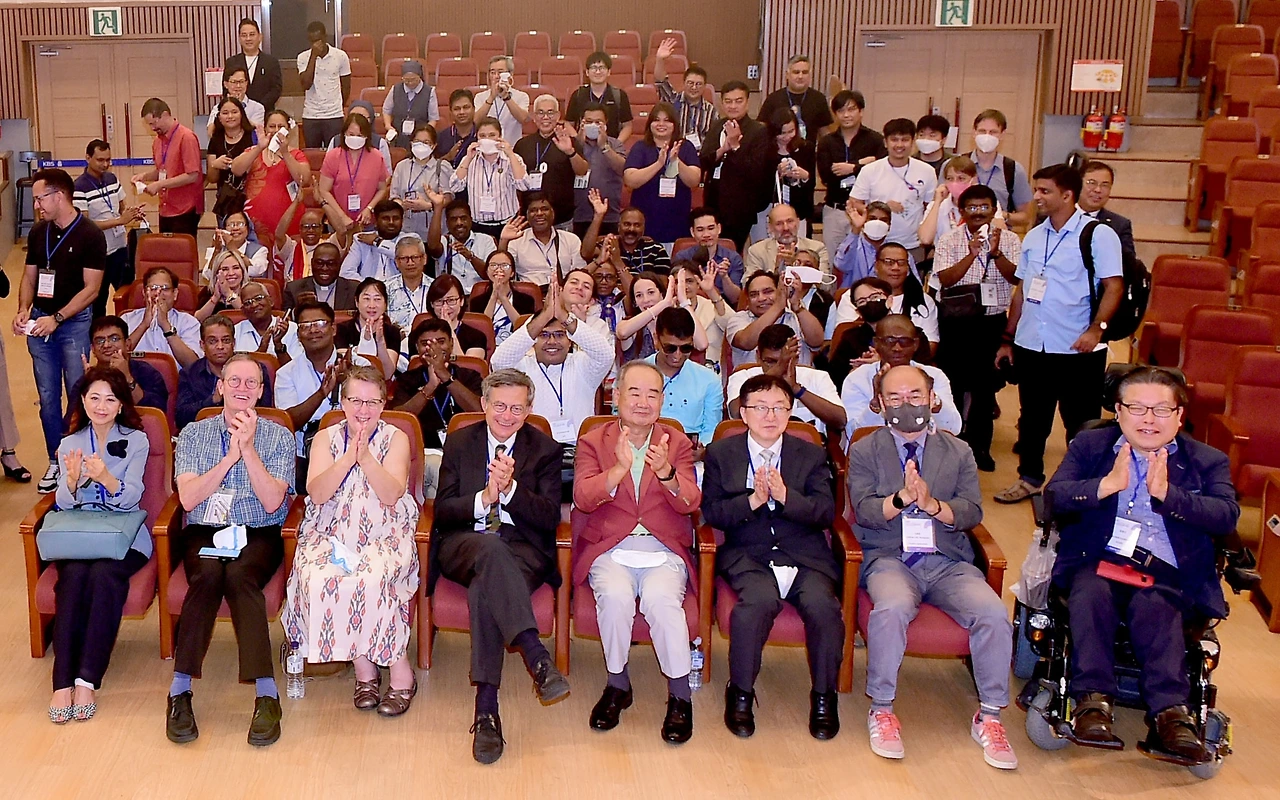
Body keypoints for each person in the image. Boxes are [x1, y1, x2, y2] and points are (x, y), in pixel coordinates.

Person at [1045, 367, 1240, 761]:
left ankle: (1171, 714)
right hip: (1099, 560)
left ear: (1179, 416)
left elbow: (1226, 516)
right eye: (1137, 408)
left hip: (1166, 569)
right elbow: (1055, 497)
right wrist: (1105, 486)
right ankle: (1093, 702)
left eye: (1161, 410)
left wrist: (1169, 495)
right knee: (1091, 594)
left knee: (1156, 605)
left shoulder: (1207, 461)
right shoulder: (1091, 447)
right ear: (1118, 411)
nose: (1149, 419)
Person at [846, 364, 1018, 769]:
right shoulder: (865, 449)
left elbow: (972, 511)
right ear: (880, 403)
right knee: (891, 608)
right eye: (894, 398)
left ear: (932, 399)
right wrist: (903, 499)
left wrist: (933, 505)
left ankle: (990, 715)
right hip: (890, 557)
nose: (906, 405)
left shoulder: (958, 451)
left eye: (915, 396)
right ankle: (882, 709)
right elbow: (865, 511)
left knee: (993, 613)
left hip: (946, 559)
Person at [431, 368, 571, 764]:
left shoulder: (545, 450)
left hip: (522, 547)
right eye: (499, 406)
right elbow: (443, 511)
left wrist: (509, 491)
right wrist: (485, 498)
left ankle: (486, 711)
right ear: (484, 404)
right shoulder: (460, 442)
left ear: (529, 409)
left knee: (485, 588)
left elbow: (549, 517)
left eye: (516, 408)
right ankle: (536, 656)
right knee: (489, 551)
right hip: (465, 544)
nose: (507, 416)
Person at [702, 373, 843, 740]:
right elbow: (713, 512)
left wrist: (785, 497)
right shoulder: (721, 454)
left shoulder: (811, 454)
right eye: (761, 407)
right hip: (749, 553)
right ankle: (741, 693)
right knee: (756, 603)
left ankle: (824, 697)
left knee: (823, 607)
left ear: (790, 412)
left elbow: (825, 513)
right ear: (743, 413)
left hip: (804, 553)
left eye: (780, 407)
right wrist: (752, 501)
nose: (770, 416)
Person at [165, 354, 295, 747]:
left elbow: (272, 502)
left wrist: (249, 450)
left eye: (251, 383)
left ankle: (267, 694)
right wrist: (229, 458)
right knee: (206, 577)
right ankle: (179, 690)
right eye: (233, 381)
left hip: (258, 531)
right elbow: (188, 499)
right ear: (220, 387)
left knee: (240, 577)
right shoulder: (193, 433)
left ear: (260, 391)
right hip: (205, 529)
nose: (242, 388)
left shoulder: (279, 436)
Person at [573, 361, 700, 742]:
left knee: (663, 602)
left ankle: (680, 697)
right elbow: (582, 498)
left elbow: (691, 502)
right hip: (611, 545)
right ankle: (618, 684)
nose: (643, 402)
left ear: (662, 400)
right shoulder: (593, 441)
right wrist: (617, 470)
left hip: (663, 546)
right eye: (635, 392)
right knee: (615, 598)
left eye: (653, 394)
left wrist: (667, 475)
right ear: (616, 396)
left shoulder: (676, 442)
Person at [282, 366, 421, 716]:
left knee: (372, 578)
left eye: (372, 402)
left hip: (385, 530)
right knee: (319, 577)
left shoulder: (397, 437)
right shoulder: (325, 438)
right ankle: (364, 670)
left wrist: (367, 458)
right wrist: (348, 457)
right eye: (356, 401)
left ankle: (401, 672)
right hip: (330, 531)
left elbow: (391, 494)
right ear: (342, 402)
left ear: (383, 403)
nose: (363, 410)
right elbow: (317, 493)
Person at [995, 164, 1124, 504]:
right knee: (1032, 419)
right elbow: (1023, 289)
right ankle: (1029, 478)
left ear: (1067, 195)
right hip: (1032, 343)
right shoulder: (1035, 236)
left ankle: (1082, 487)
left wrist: (1096, 329)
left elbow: (1114, 287)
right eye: (1036, 190)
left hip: (1077, 348)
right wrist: (1008, 339)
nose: (1036, 197)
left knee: (1080, 424)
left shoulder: (1098, 234)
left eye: (1044, 191)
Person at [48, 367, 151, 723]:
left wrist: (106, 479)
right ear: (83, 401)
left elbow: (133, 497)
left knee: (105, 577)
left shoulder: (137, 441)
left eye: (110, 399)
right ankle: (62, 682)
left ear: (121, 405)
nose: (101, 406)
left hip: (124, 537)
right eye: (94, 398)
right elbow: (62, 503)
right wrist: (72, 483)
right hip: (80, 536)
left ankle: (87, 679)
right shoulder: (69, 444)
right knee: (73, 577)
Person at [16, 169, 104, 492]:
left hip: (73, 323)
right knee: (48, 396)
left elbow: (92, 289)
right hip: (41, 323)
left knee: (78, 392)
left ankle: (77, 456)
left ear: (60, 196)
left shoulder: (90, 234)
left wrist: (59, 317)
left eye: (40, 198)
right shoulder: (39, 232)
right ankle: (55, 458)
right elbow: (30, 276)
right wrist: (23, 309)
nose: (36, 205)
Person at [932, 185, 1020, 471]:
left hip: (992, 322)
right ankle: (951, 445)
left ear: (994, 210)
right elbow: (945, 279)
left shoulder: (1009, 239)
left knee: (985, 389)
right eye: (972, 207)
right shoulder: (949, 239)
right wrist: (971, 254)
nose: (978, 212)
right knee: (953, 385)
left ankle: (980, 447)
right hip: (956, 323)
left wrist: (996, 254)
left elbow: (1016, 277)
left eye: (984, 207)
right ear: (962, 211)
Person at [491, 281, 614, 447]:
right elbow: (498, 361)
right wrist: (544, 315)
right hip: (533, 453)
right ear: (532, 340)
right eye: (543, 335)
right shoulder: (520, 369)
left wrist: (564, 316)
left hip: (578, 452)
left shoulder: (583, 365)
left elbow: (606, 354)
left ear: (570, 341)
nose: (552, 341)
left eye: (559, 335)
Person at [275, 302, 370, 480]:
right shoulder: (286, 373)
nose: (313, 330)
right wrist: (322, 393)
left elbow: (372, 412)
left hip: (357, 450)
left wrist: (349, 382)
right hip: (305, 459)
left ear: (333, 329)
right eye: (305, 326)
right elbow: (288, 423)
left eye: (320, 323)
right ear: (298, 335)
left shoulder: (360, 365)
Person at [390, 318, 483, 498]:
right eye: (425, 343)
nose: (433, 348)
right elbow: (400, 421)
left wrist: (445, 377)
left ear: (451, 344)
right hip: (425, 453)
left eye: (440, 342)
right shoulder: (407, 379)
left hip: (466, 453)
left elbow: (479, 411)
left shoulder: (470, 376)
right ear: (417, 348)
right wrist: (429, 387)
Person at [841, 314, 962, 439]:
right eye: (889, 341)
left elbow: (953, 428)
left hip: (926, 447)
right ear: (876, 343)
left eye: (905, 341)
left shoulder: (934, 376)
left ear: (916, 344)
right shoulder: (857, 379)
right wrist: (876, 403)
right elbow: (853, 433)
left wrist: (932, 398)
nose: (897, 348)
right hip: (876, 448)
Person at [727, 324, 845, 437]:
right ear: (758, 356)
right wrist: (772, 376)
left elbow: (840, 421)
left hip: (809, 447)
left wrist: (797, 389)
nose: (780, 367)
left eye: (786, 361)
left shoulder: (818, 377)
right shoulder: (743, 377)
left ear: (796, 357)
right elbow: (736, 413)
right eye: (770, 361)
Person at [850, 118, 937, 263]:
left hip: (912, 245)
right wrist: (882, 207)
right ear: (885, 142)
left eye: (905, 140)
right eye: (894, 140)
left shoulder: (927, 171)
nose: (899, 145)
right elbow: (854, 203)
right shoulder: (870, 170)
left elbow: (930, 207)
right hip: (875, 242)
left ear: (913, 142)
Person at [74, 140, 143, 318]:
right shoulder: (79, 187)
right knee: (98, 302)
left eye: (108, 160)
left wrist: (132, 214)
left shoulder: (112, 178)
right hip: (99, 253)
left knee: (127, 294)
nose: (105, 164)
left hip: (120, 247)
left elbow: (121, 208)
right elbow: (84, 224)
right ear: (88, 158)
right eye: (100, 160)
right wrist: (120, 221)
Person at [700, 81, 771, 251]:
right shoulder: (717, 126)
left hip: (740, 204)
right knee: (710, 249)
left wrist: (735, 147)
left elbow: (756, 170)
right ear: (722, 103)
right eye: (728, 101)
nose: (733, 106)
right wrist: (723, 149)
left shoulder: (759, 131)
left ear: (747, 102)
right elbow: (703, 161)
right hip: (713, 199)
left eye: (738, 101)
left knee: (731, 251)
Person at [816, 90, 887, 258]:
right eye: (841, 111)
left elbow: (881, 168)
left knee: (866, 257)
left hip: (865, 211)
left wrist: (853, 167)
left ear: (861, 111)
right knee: (833, 259)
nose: (846, 115)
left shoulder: (875, 139)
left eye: (851, 109)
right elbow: (827, 176)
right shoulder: (827, 142)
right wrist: (865, 162)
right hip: (835, 209)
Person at [644, 308, 722, 456]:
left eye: (686, 348)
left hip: (690, 456)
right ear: (656, 340)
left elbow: (712, 428)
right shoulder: (633, 375)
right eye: (670, 348)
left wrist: (704, 449)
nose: (677, 355)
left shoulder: (709, 380)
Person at [622, 104, 701, 250]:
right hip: (645, 225)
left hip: (677, 223)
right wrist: (659, 163)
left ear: (674, 124)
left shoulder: (685, 147)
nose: (661, 124)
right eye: (657, 120)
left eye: (666, 120)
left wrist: (676, 160)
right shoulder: (640, 147)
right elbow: (630, 181)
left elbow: (694, 181)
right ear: (650, 123)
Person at [176, 314, 275, 430]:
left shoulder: (255, 370)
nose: (220, 346)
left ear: (234, 343)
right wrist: (213, 400)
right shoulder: (189, 374)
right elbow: (181, 418)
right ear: (202, 345)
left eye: (226, 340)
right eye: (212, 341)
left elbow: (264, 412)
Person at [67, 316, 168, 421]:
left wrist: (127, 377)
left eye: (114, 339)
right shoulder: (85, 380)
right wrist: (89, 388)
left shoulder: (146, 372)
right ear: (93, 349)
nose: (106, 345)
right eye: (100, 341)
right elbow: (71, 421)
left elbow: (157, 415)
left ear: (127, 344)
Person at [724, 271, 824, 369]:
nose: (761, 298)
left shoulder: (797, 316)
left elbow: (817, 342)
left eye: (768, 292)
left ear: (781, 291)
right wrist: (778, 306)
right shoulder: (738, 319)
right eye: (754, 294)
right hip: (754, 379)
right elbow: (746, 342)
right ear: (748, 300)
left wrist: (797, 306)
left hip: (798, 378)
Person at [452, 117, 530, 239]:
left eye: (492, 135)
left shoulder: (512, 158)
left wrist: (510, 154)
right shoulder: (470, 159)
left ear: (500, 136)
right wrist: (468, 158)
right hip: (477, 225)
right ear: (477, 138)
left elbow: (524, 185)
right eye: (482, 136)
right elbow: (455, 186)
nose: (487, 139)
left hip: (507, 224)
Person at [514, 94, 585, 228]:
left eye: (550, 113)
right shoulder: (522, 145)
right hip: (529, 217)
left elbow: (582, 171)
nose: (545, 117)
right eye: (540, 113)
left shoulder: (569, 141)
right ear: (534, 117)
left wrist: (570, 151)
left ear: (558, 116)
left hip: (562, 217)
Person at [137, 99, 204, 237]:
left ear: (165, 115)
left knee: (182, 249)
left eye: (154, 123)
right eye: (149, 125)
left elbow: (192, 175)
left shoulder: (186, 137)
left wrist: (160, 184)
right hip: (165, 208)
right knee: (166, 249)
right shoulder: (157, 141)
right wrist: (144, 177)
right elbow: (162, 171)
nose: (152, 128)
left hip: (185, 208)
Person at [243, 109, 312, 243]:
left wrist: (285, 153)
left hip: (289, 221)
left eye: (281, 127)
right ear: (265, 128)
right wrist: (259, 148)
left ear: (288, 130)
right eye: (272, 126)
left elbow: (304, 180)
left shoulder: (296, 154)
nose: (276, 130)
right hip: (256, 224)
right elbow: (236, 169)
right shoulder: (253, 151)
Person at [318, 113, 389, 234]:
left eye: (360, 135)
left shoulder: (377, 157)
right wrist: (341, 216)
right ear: (344, 134)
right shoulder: (333, 156)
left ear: (366, 136)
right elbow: (324, 190)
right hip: (337, 222)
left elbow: (382, 189)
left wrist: (369, 208)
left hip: (366, 222)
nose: (355, 138)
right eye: (351, 134)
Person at [498, 194, 588, 287]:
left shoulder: (571, 239)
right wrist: (504, 240)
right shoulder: (517, 241)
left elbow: (580, 272)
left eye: (544, 209)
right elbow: (501, 270)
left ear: (553, 213)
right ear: (527, 215)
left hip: (564, 291)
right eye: (533, 210)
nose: (539, 213)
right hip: (530, 293)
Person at [757, 109, 817, 241]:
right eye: (782, 133)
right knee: (766, 248)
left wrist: (805, 176)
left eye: (791, 131)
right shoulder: (763, 149)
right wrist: (776, 172)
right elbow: (757, 183)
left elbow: (812, 183)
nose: (787, 137)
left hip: (797, 209)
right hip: (767, 209)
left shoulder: (806, 148)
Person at [968, 109, 1034, 226]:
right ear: (974, 132)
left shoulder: (1014, 170)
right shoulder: (955, 165)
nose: (987, 136)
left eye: (993, 132)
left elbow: (1026, 217)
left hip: (998, 234)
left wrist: (1002, 216)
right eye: (982, 131)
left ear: (1002, 135)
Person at [390, 124, 455, 240]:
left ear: (433, 146)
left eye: (426, 142)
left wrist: (428, 205)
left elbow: (448, 198)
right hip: (407, 228)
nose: (421, 146)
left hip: (434, 228)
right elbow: (394, 196)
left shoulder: (442, 166)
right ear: (411, 143)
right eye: (417, 142)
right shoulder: (401, 166)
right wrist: (402, 205)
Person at [572, 104, 627, 238]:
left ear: (606, 123)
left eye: (598, 122)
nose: (593, 125)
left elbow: (623, 169)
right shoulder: (571, 145)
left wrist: (604, 147)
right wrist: (578, 144)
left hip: (609, 215)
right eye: (589, 121)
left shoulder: (615, 144)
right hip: (578, 215)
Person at [653, 38, 718, 148]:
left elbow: (714, 141)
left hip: (699, 155)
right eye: (690, 83)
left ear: (704, 86)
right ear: (684, 83)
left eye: (698, 84)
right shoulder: (673, 100)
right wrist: (659, 59)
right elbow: (660, 81)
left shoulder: (711, 111)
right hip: (673, 151)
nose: (694, 87)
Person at [674, 207, 745, 305]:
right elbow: (677, 291)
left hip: (724, 306)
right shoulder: (682, 257)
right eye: (700, 230)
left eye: (711, 228)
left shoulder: (733, 258)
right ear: (692, 232)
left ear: (719, 228)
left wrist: (724, 277)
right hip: (691, 305)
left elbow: (735, 299)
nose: (706, 234)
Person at [297, 21, 351, 149]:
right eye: (312, 41)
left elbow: (346, 86)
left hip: (334, 115)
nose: (316, 44)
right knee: (312, 153)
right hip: (311, 115)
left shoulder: (340, 56)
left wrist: (337, 105)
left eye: (318, 40)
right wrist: (313, 56)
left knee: (335, 152)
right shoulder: (303, 57)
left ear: (325, 37)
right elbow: (306, 84)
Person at [757, 55, 832, 145]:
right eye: (796, 72)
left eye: (805, 72)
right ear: (787, 75)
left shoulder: (819, 99)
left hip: (807, 152)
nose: (800, 76)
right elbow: (761, 130)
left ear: (810, 75)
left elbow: (825, 133)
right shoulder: (773, 99)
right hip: (777, 152)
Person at [335, 278, 401, 379]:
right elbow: (343, 367)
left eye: (377, 299)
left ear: (385, 304)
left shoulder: (392, 332)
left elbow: (387, 374)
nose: (372, 305)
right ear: (356, 302)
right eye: (366, 299)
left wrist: (380, 342)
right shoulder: (342, 329)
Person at [428, 199, 497, 293]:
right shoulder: (444, 241)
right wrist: (438, 208)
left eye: (463, 218)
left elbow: (492, 274)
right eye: (454, 219)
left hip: (481, 296)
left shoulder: (486, 240)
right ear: (447, 223)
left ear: (470, 220)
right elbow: (432, 247)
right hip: (451, 297)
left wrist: (470, 257)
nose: (459, 223)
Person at [744, 204, 830, 279]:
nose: (786, 228)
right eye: (779, 223)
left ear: (798, 222)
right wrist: (776, 270)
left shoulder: (817, 248)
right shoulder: (757, 251)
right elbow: (747, 285)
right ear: (770, 227)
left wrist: (796, 266)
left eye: (790, 221)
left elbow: (826, 284)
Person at [566, 52, 634, 143]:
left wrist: (616, 143)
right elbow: (568, 123)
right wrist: (577, 140)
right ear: (587, 72)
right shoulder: (578, 94)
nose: (598, 72)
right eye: (594, 68)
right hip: (584, 145)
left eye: (602, 68)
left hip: (610, 145)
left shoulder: (619, 95)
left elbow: (627, 126)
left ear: (609, 72)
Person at [470, 251, 536, 344]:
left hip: (517, 346)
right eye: (493, 265)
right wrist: (493, 297)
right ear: (487, 271)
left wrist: (503, 298)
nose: (498, 269)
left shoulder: (526, 300)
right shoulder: (477, 301)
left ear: (512, 272)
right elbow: (481, 331)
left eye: (505, 266)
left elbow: (523, 329)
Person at [341, 200, 412, 281]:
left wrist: (377, 241)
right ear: (376, 221)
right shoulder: (361, 239)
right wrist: (369, 286)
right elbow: (345, 273)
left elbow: (405, 256)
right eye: (386, 218)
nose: (391, 222)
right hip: (368, 287)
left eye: (396, 218)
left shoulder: (410, 239)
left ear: (402, 221)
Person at [1078, 160, 1137, 257]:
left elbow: (1128, 262)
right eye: (1092, 183)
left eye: (1105, 185)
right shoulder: (1060, 217)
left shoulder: (1119, 225)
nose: (1098, 190)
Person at [832, 200, 894, 290]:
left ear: (889, 225)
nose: (877, 223)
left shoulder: (896, 251)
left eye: (883, 220)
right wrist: (855, 230)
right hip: (853, 295)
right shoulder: (853, 244)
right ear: (864, 221)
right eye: (872, 218)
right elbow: (841, 265)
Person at [918, 155, 979, 248]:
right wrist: (937, 202)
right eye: (950, 178)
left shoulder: (986, 203)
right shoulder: (938, 206)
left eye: (961, 178)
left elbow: (999, 234)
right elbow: (925, 239)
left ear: (973, 180)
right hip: (944, 255)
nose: (955, 183)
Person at [223, 18, 282, 112]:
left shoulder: (271, 62)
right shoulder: (232, 62)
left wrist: (257, 108)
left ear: (260, 37)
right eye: (244, 35)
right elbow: (226, 89)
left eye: (252, 34)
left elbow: (276, 90)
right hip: (238, 113)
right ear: (239, 39)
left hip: (265, 112)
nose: (248, 39)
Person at [235, 282, 301, 365]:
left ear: (270, 301)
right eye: (248, 302)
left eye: (258, 298)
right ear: (243, 310)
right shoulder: (235, 332)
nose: (254, 305)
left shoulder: (292, 329)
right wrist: (262, 349)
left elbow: (296, 368)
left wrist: (278, 345)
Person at [283, 242, 359, 313]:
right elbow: (286, 318)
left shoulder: (354, 289)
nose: (324, 268)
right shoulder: (293, 289)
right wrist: (298, 309)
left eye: (331, 264)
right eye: (319, 263)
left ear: (339, 265)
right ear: (312, 263)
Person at [474, 55, 531, 146]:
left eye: (500, 72)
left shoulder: (521, 96)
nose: (496, 76)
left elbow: (523, 119)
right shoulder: (480, 97)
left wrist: (506, 97)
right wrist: (491, 97)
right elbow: (475, 122)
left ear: (510, 74)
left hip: (512, 147)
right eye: (493, 73)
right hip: (487, 148)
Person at [381, 60, 439, 147]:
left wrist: (425, 134)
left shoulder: (429, 91)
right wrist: (388, 126)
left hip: (419, 137)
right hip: (398, 134)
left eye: (413, 79)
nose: (410, 83)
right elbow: (386, 110)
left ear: (419, 76)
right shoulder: (395, 89)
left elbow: (433, 119)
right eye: (406, 80)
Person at [426, 274, 486, 358]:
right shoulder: (421, 335)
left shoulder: (476, 337)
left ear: (461, 301)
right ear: (432, 304)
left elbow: (468, 365)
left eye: (451, 300)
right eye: (439, 301)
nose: (445, 307)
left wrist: (448, 329)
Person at [202, 211, 271, 281]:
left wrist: (233, 249)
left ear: (248, 228)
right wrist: (216, 251)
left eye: (240, 224)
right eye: (231, 225)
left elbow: (256, 270)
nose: (235, 228)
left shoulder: (260, 250)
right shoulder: (218, 249)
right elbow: (208, 275)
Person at [275, 206, 335, 284]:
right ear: (300, 229)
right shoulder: (291, 247)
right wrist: (296, 202)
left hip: (322, 289)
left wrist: (324, 203)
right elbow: (279, 234)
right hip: (295, 290)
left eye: (315, 226)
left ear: (321, 229)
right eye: (306, 226)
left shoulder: (329, 247)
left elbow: (342, 231)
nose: (310, 230)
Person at [384, 237, 432, 334]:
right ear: (397, 262)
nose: (410, 263)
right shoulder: (385, 288)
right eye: (404, 258)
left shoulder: (435, 288)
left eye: (415, 257)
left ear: (424, 259)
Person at [608, 208, 672, 274]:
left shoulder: (657, 249)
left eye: (637, 225)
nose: (631, 229)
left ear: (643, 229)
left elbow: (663, 280)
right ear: (618, 227)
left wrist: (618, 263)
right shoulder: (608, 248)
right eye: (627, 224)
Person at [205, 69, 265, 137]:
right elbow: (210, 133)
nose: (238, 86)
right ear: (226, 84)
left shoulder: (257, 107)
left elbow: (257, 131)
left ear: (246, 83)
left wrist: (238, 106)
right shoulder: (217, 108)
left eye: (241, 81)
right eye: (234, 82)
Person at [194, 250, 248, 323]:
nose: (231, 273)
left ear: (242, 271)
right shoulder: (208, 291)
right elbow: (197, 320)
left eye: (236, 268)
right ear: (216, 273)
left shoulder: (250, 291)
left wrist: (228, 293)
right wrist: (215, 298)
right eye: (225, 269)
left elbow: (251, 315)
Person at [436, 89, 479, 170]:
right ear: (450, 113)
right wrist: (448, 157)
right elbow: (432, 168)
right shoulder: (441, 137)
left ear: (474, 109)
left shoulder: (482, 136)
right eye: (457, 109)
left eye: (466, 107)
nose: (462, 112)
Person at [913, 114, 953, 179]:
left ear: (944, 140)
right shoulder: (909, 163)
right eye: (921, 135)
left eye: (932, 135)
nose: (926, 139)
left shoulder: (953, 163)